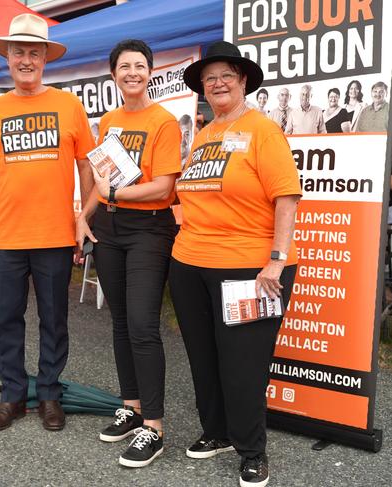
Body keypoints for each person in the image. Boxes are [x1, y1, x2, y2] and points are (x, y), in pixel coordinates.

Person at [171, 41, 301, 487]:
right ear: (203, 88)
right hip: (190, 264)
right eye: (210, 78)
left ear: (243, 80)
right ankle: (218, 432)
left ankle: (252, 450)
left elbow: (286, 196)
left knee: (243, 363)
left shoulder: (262, 130)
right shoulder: (205, 134)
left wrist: (276, 262)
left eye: (227, 75)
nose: (218, 83)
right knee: (203, 357)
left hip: (249, 268)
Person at [0, 13, 95, 432]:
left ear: (45, 59)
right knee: (8, 317)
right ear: (8, 58)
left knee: (54, 318)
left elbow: (86, 166)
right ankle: (11, 395)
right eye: (19, 52)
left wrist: (83, 216)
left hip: (55, 233)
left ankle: (48, 394)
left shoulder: (68, 105)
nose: (26, 60)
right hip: (6, 235)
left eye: (34, 53)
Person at [76, 39, 180, 468]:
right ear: (114, 74)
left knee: (141, 324)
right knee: (120, 321)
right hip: (109, 227)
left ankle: (153, 427)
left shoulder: (165, 122)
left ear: (150, 73)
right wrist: (84, 216)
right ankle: (132, 406)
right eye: (124, 66)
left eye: (140, 66)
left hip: (148, 229)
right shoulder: (109, 120)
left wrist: (118, 192)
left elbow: (165, 187)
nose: (132, 72)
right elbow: (103, 180)